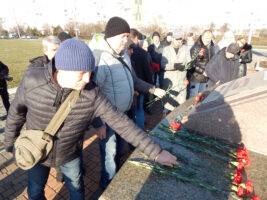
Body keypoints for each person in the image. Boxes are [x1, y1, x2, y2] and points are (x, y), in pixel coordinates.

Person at [4, 38, 178, 200]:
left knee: (77, 188)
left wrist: (156, 152)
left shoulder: (91, 93)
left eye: (90, 72)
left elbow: (121, 122)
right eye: (81, 73)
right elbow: (16, 113)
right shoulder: (32, 80)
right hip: (36, 149)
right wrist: (10, 141)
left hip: (69, 153)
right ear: (62, 68)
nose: (87, 79)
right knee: (35, 190)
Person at [89, 16, 167, 189]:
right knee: (109, 155)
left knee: (119, 148)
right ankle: (108, 188)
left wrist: (153, 89)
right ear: (110, 36)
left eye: (127, 36)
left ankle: (114, 177)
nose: (126, 41)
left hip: (123, 116)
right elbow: (91, 95)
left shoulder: (123, 55)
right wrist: (98, 123)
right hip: (107, 120)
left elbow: (134, 80)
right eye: (122, 36)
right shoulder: (100, 58)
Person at [161, 30, 191, 113]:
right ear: (173, 38)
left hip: (181, 82)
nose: (179, 41)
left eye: (180, 40)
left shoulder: (185, 49)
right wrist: (174, 66)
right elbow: (163, 65)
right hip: (170, 82)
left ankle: (178, 124)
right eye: (177, 39)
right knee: (168, 106)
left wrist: (188, 66)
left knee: (180, 107)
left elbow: (189, 62)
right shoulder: (166, 50)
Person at [129, 28, 154, 129]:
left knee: (130, 111)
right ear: (136, 38)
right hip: (140, 86)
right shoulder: (142, 53)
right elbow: (148, 71)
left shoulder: (121, 52)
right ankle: (140, 131)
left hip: (128, 86)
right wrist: (149, 86)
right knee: (139, 109)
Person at [188, 30, 216, 98]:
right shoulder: (196, 47)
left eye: (209, 38)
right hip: (195, 77)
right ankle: (191, 109)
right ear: (202, 37)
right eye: (206, 38)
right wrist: (202, 72)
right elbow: (190, 64)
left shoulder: (211, 47)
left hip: (205, 77)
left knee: (201, 97)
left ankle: (199, 108)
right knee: (193, 97)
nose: (208, 40)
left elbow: (212, 60)